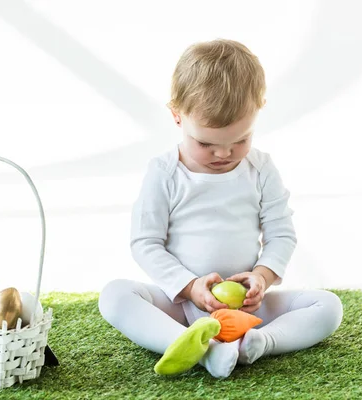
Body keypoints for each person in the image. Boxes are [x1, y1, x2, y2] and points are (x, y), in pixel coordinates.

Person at [98, 39, 343, 379]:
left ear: (258, 113)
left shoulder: (261, 169)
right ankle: (199, 348)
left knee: (328, 306)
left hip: (247, 309)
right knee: (115, 295)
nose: (224, 154)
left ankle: (260, 343)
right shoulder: (165, 173)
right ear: (177, 116)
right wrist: (189, 287)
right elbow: (145, 243)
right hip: (182, 307)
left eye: (241, 140)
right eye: (206, 143)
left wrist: (261, 277)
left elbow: (281, 234)